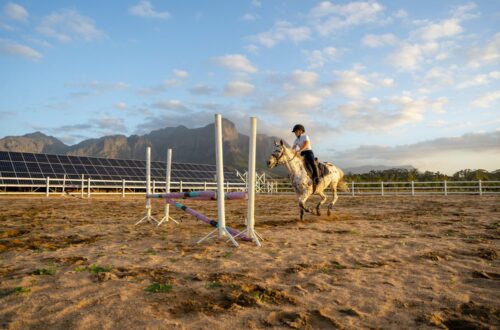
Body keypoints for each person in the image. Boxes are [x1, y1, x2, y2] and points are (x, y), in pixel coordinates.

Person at [292, 124, 320, 190]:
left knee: (313, 163)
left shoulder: (305, 136)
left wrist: (299, 150)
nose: (295, 133)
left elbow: (306, 144)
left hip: (308, 152)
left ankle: (317, 178)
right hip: (301, 153)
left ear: (301, 131)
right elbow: (293, 149)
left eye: (296, 131)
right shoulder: (295, 141)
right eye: (295, 132)